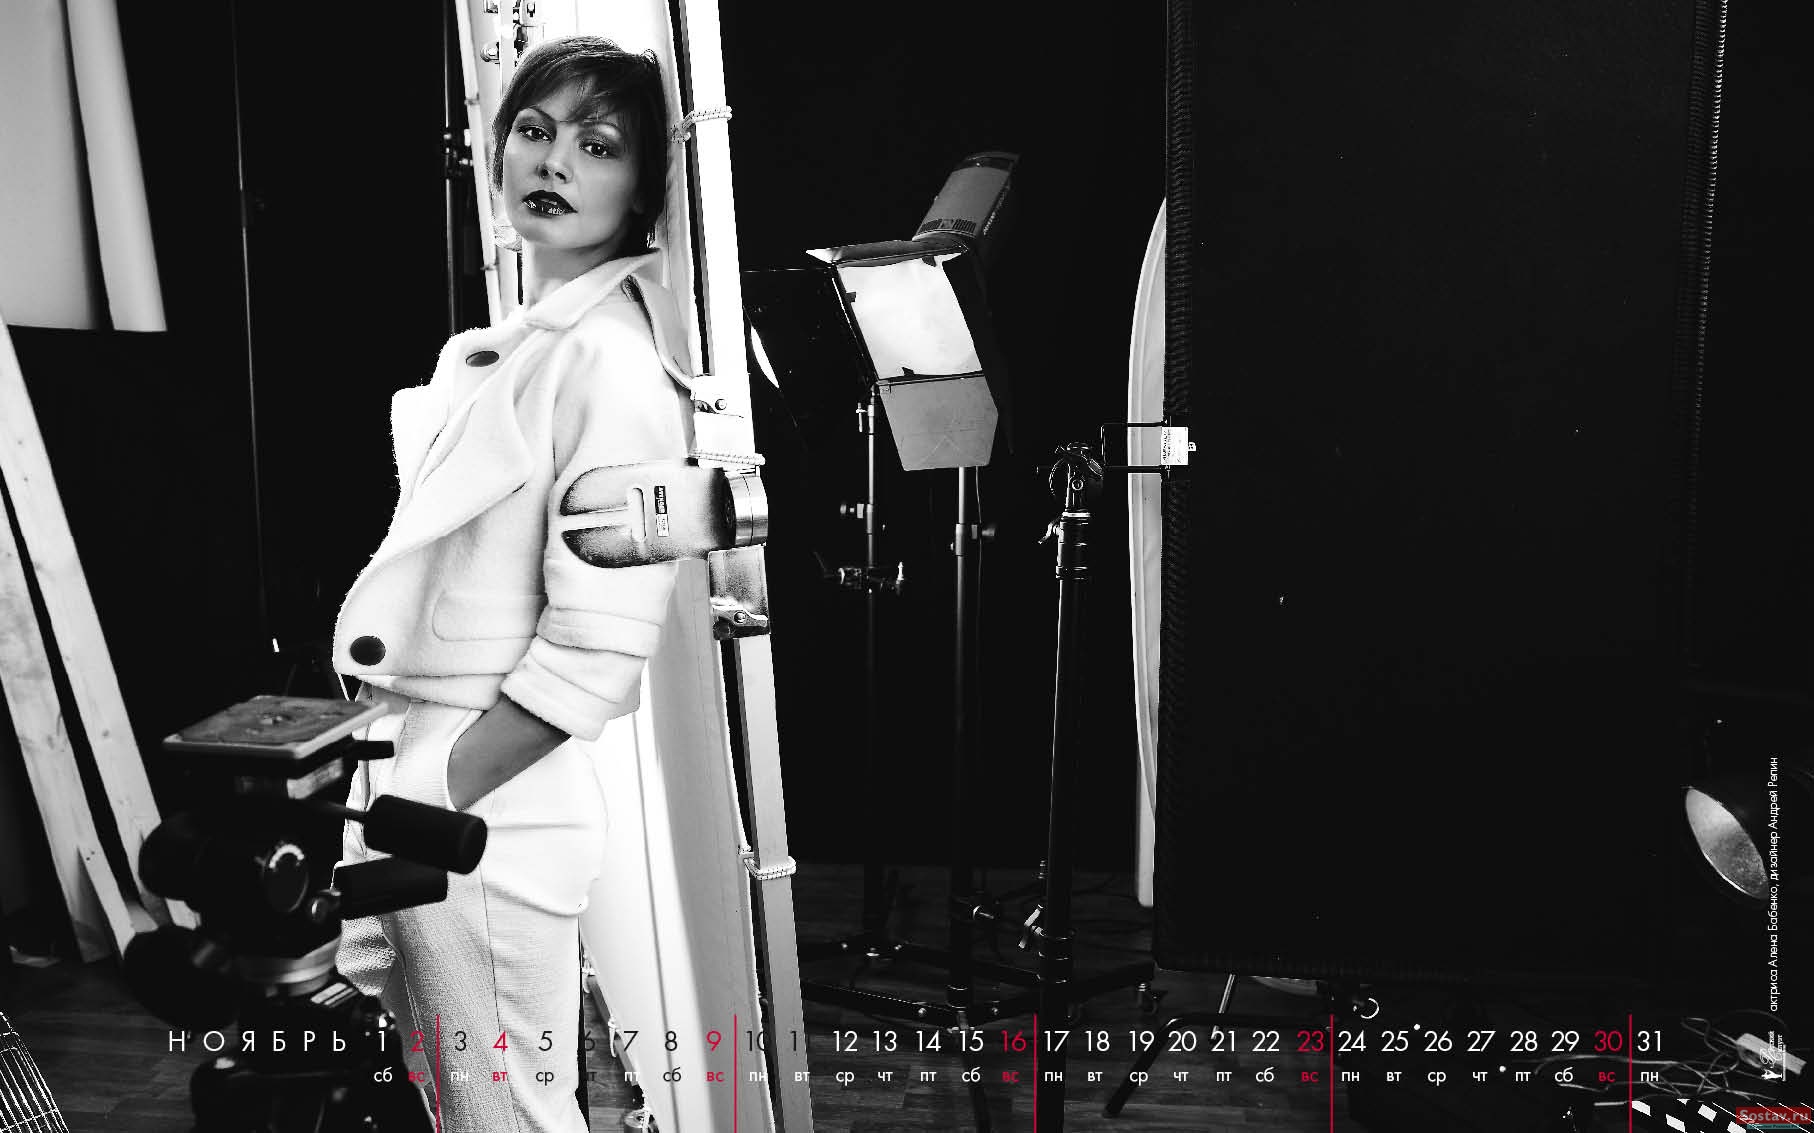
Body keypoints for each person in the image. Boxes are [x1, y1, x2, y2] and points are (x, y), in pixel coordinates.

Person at [330, 36, 688, 1133]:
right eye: (534, 131)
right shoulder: (519, 347)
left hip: (485, 801)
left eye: (599, 145)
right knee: (465, 1107)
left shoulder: (610, 363)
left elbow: (595, 647)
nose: (556, 161)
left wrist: (436, 790)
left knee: (508, 1118)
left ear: (644, 188)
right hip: (428, 772)